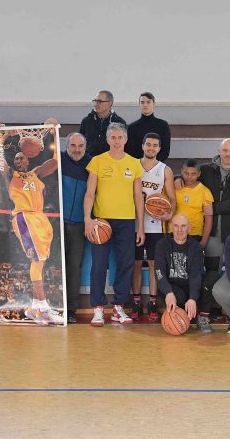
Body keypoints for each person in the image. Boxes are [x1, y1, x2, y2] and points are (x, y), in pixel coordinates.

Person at [0, 125, 60, 325]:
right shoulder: (10, 175)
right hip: (24, 217)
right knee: (36, 260)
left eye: (21, 158)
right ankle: (44, 308)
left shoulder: (36, 173)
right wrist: (1, 136)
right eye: (16, 159)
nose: (18, 160)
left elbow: (55, 161)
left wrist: (55, 135)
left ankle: (34, 308)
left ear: (28, 159)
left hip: (40, 218)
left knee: (41, 262)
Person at [84, 122, 145, 326]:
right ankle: (98, 308)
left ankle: (119, 308)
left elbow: (138, 196)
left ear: (126, 140)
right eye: (113, 137)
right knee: (99, 265)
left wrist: (141, 226)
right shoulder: (97, 161)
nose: (117, 141)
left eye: (120, 137)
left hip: (126, 221)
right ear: (108, 139)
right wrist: (87, 219)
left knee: (126, 263)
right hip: (101, 221)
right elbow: (90, 193)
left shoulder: (134, 163)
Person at [193, 138, 230, 273]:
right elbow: (189, 177)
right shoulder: (206, 170)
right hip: (211, 233)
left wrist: (216, 208)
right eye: (225, 150)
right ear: (219, 151)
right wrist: (178, 179)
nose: (228, 154)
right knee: (212, 270)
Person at [131, 133, 175, 322]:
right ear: (142, 146)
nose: (151, 148)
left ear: (159, 148)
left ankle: (152, 302)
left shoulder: (165, 170)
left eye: (155, 145)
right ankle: (136, 302)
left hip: (156, 225)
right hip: (133, 223)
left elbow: (172, 198)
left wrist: (169, 214)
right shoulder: (132, 165)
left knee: (154, 265)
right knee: (135, 264)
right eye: (148, 144)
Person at [154, 214, 216, 333]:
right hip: (173, 289)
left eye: (183, 226)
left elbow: (195, 275)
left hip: (190, 287)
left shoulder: (196, 247)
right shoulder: (162, 245)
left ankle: (203, 317)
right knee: (179, 296)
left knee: (211, 278)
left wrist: (193, 298)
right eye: (176, 226)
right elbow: (159, 272)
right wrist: (168, 292)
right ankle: (179, 316)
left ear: (189, 228)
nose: (179, 230)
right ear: (171, 227)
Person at [61, 132, 91, 324]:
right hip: (56, 223)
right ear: (66, 146)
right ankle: (54, 306)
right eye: (73, 145)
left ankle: (71, 310)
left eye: (80, 146)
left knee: (73, 267)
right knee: (52, 266)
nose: (77, 150)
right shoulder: (57, 160)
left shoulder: (92, 165)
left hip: (79, 226)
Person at [172, 159, 213, 247]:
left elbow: (208, 219)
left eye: (193, 174)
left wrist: (204, 241)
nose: (189, 177)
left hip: (194, 234)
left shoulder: (205, 192)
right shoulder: (174, 187)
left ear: (199, 174)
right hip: (173, 232)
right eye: (186, 173)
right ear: (181, 172)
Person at [125, 92, 171, 161]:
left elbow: (165, 150)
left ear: (154, 104)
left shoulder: (163, 125)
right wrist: (141, 164)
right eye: (142, 102)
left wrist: (153, 164)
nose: (145, 105)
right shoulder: (132, 127)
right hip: (137, 165)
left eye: (148, 102)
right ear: (139, 105)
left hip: (157, 165)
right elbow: (129, 150)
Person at [79, 90, 126, 157]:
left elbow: (123, 146)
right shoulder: (86, 121)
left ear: (110, 103)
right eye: (95, 101)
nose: (96, 104)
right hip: (90, 161)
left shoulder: (119, 122)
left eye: (100, 101)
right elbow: (80, 143)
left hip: (110, 161)